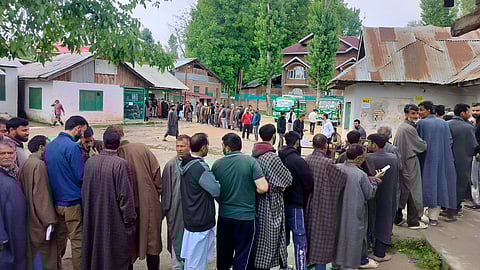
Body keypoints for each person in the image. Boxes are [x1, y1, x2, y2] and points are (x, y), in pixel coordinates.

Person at [107, 125, 163, 270]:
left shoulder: (113, 155)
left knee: (127, 245)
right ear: (123, 134)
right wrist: (154, 194)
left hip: (125, 207)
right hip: (148, 203)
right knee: (152, 242)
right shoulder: (141, 148)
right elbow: (157, 174)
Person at [212, 133, 269, 270]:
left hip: (225, 216)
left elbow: (214, 190)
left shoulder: (217, 164)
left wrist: (222, 200)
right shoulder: (250, 162)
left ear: (227, 148)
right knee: (243, 256)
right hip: (246, 218)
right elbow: (263, 187)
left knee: (224, 255)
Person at [81, 129, 137, 270]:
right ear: (118, 144)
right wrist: (129, 221)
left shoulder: (90, 162)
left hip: (93, 218)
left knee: (97, 252)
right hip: (114, 221)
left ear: (104, 142)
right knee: (115, 256)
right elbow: (125, 196)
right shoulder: (120, 164)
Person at [45, 115, 88, 270]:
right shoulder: (72, 147)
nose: (83, 134)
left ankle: (56, 266)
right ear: (77, 128)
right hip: (72, 203)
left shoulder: (50, 145)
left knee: (59, 239)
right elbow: (80, 175)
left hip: (56, 202)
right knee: (77, 241)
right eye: (82, 131)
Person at [250, 124, 292, 270]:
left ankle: (262, 263)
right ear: (274, 136)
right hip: (272, 201)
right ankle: (267, 265)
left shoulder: (254, 154)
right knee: (271, 236)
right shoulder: (271, 157)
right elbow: (287, 179)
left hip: (257, 201)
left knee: (261, 235)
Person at [335, 144, 382, 270]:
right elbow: (369, 194)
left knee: (338, 237)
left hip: (337, 211)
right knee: (353, 240)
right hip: (354, 212)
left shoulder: (337, 168)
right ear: (359, 158)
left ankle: (336, 263)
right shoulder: (360, 174)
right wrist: (375, 182)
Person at [304, 134, 347, 270]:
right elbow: (341, 179)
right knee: (321, 238)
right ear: (325, 146)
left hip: (308, 203)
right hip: (324, 204)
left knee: (308, 235)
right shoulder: (328, 163)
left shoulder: (307, 160)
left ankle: (306, 263)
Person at [179, 133, 220, 269]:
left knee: (191, 259)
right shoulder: (199, 167)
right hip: (200, 219)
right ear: (203, 148)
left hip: (191, 216)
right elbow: (215, 190)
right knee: (196, 262)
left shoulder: (186, 162)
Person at [18, 135, 58, 270]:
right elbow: (41, 195)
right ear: (42, 147)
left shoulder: (26, 163)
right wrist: (50, 220)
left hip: (30, 217)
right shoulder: (39, 165)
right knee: (44, 255)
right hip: (40, 221)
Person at [416, 101, 457, 225]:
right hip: (443, 160)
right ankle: (434, 218)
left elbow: (418, 142)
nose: (419, 113)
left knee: (422, 186)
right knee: (439, 186)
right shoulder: (443, 123)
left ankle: (418, 215)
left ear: (428, 110)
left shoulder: (421, 123)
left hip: (426, 160)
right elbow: (449, 141)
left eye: (421, 110)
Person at [279, 131, 313, 270]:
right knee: (300, 239)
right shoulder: (299, 161)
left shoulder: (278, 158)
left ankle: (284, 265)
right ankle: (301, 267)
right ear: (297, 142)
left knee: (283, 239)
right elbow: (309, 183)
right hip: (296, 204)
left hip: (280, 204)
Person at [393, 104, 428, 229]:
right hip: (409, 163)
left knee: (403, 191)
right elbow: (421, 146)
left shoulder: (404, 127)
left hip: (403, 163)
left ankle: (398, 218)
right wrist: (426, 142)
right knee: (413, 191)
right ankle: (413, 221)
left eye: (417, 113)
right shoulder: (409, 129)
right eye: (413, 113)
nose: (416, 116)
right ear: (406, 114)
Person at [366, 134, 400, 262]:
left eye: (369, 143)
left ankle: (369, 249)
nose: (367, 145)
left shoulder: (368, 158)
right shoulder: (393, 158)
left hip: (372, 194)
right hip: (389, 194)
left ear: (374, 144)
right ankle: (380, 253)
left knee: (370, 219)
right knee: (384, 221)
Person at [162, 135, 191, 269]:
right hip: (176, 211)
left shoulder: (195, 163)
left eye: (182, 146)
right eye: (177, 146)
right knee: (176, 241)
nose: (179, 149)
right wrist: (164, 212)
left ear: (189, 147)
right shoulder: (170, 165)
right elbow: (166, 192)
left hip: (192, 212)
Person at [0, 140, 27, 270]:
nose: (7, 156)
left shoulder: (12, 172)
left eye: (10, 153)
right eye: (2, 153)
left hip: (17, 232)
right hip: (6, 237)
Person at [448, 104, 478, 215]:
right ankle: (455, 207)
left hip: (448, 159)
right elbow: (473, 145)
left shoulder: (446, 124)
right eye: (469, 112)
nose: (470, 114)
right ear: (462, 113)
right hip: (463, 160)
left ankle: (445, 205)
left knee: (448, 182)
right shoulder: (468, 127)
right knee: (461, 184)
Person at [468, 103, 480, 209]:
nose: (475, 113)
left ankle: (478, 202)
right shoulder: (476, 123)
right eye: (474, 110)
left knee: (477, 178)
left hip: (478, 155)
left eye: (478, 111)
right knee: (475, 178)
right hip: (475, 154)